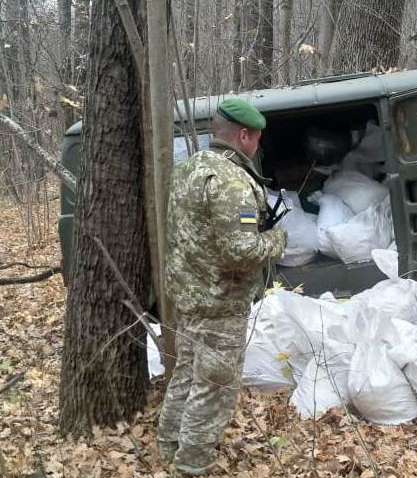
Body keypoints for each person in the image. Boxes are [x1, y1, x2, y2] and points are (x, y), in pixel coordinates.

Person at [157, 98, 287, 474]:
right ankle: (191, 466)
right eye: (256, 139)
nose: (257, 146)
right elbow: (241, 251)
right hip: (220, 303)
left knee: (185, 375)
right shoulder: (231, 182)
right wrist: (277, 240)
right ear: (244, 135)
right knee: (213, 389)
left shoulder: (188, 169)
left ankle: (167, 447)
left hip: (188, 295)